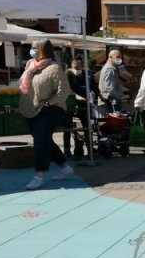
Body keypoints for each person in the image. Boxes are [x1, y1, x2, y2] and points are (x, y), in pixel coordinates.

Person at [18, 40, 73, 190]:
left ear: (44, 50)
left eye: (35, 48)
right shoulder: (30, 65)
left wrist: (51, 102)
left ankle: (39, 175)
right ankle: (64, 167)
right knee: (43, 139)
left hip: (50, 108)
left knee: (41, 141)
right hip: (30, 107)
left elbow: (64, 90)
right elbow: (23, 83)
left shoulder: (54, 68)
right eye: (32, 48)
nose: (32, 50)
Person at [64, 57, 91, 158]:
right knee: (67, 127)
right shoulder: (68, 74)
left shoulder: (84, 73)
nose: (78, 71)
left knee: (87, 125)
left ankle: (89, 149)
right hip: (70, 102)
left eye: (80, 69)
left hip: (83, 103)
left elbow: (88, 86)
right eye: (76, 69)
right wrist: (76, 96)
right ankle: (67, 150)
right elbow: (67, 89)